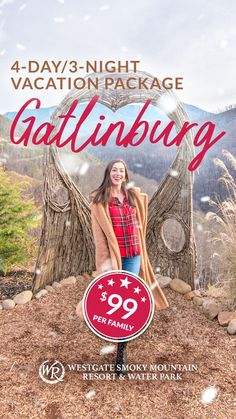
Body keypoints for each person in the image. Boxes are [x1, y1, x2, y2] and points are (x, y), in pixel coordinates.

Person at [76, 159, 169, 373]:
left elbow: (140, 225)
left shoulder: (132, 196)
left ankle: (121, 352)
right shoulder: (100, 201)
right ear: (108, 173)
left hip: (134, 255)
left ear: (125, 174)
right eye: (114, 170)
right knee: (114, 301)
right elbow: (100, 239)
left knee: (129, 300)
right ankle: (113, 333)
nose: (118, 174)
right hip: (116, 258)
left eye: (121, 170)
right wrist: (104, 264)